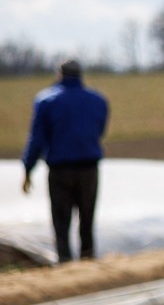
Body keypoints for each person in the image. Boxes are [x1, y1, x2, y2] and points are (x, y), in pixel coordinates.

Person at [20, 59, 109, 262]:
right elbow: (100, 130)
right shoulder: (97, 100)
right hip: (89, 168)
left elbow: (37, 138)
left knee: (61, 222)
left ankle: (65, 263)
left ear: (60, 74)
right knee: (87, 219)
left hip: (60, 170)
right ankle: (88, 261)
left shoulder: (47, 100)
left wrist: (28, 167)